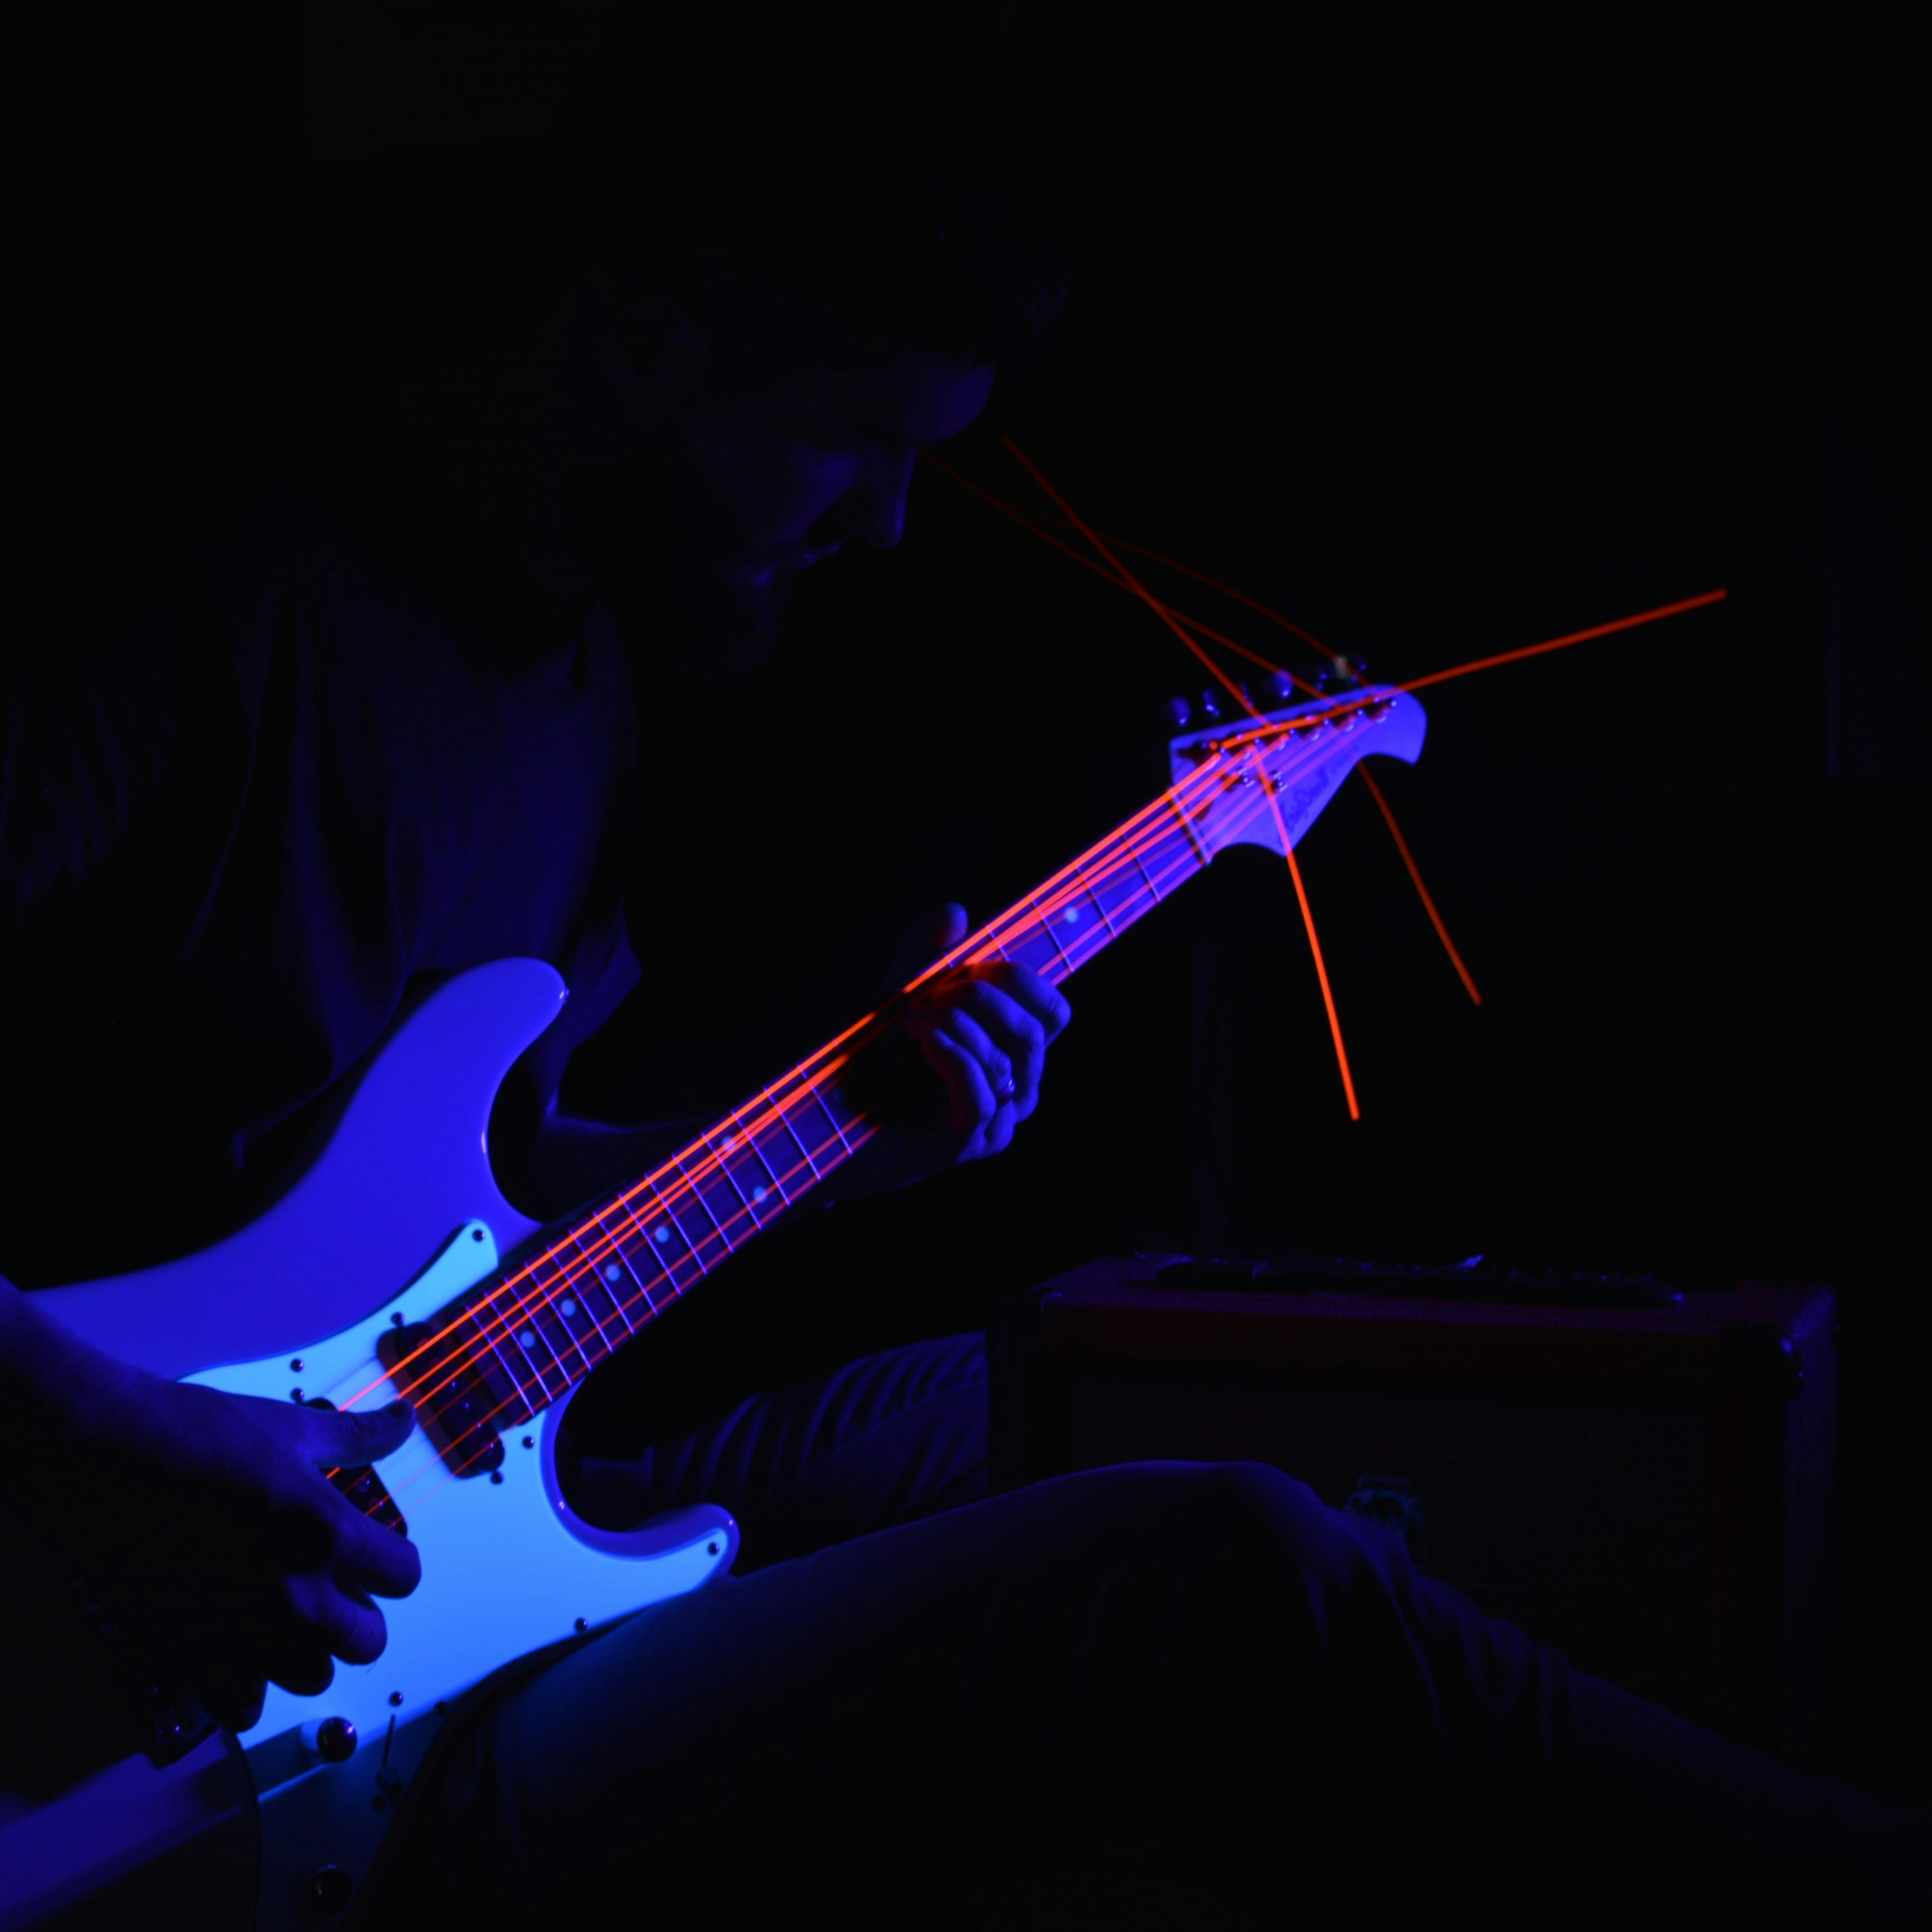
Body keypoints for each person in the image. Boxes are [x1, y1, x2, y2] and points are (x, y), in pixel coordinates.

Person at [2, 12, 1923, 1927]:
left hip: (438, 1509)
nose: (887, 522)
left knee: (1122, 1391)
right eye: (846, 440)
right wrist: (121, 1444)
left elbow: (491, 1215)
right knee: (1219, 1552)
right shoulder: (207, 593)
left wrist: (867, 1119)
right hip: (192, 1683)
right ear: (654, 335)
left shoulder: (577, 682)